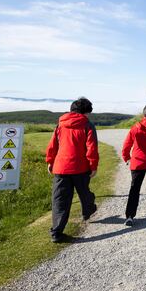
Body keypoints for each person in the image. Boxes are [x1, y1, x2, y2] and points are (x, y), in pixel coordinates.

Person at [45, 97, 99, 243]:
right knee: (84, 192)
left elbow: (53, 145)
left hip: (61, 167)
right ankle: (88, 211)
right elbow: (91, 148)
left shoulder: (60, 124)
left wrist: (50, 161)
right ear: (86, 112)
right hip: (80, 167)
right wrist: (93, 166)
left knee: (60, 200)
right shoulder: (87, 124)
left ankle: (56, 232)